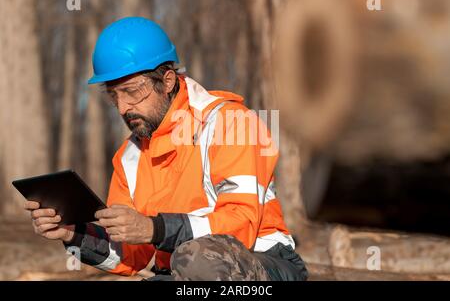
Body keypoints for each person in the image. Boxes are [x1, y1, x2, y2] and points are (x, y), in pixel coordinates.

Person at [24, 16, 308, 281]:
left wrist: (154, 229)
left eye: (132, 92)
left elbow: (241, 225)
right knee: (187, 262)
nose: (123, 108)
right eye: (114, 96)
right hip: (180, 273)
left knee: (196, 259)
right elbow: (132, 257)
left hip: (264, 265)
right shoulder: (129, 157)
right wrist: (73, 235)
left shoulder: (231, 124)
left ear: (167, 82)